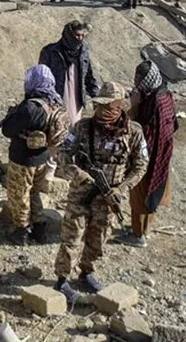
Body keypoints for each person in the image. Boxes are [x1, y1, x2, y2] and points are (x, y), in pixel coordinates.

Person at [54, 82, 149, 301]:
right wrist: (78, 174)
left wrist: (121, 189)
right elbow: (63, 153)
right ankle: (62, 279)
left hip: (108, 198)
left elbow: (140, 165)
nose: (102, 111)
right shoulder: (82, 127)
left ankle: (86, 272)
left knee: (98, 238)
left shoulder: (133, 132)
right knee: (72, 237)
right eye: (100, 106)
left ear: (120, 106)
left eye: (109, 107)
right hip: (81, 194)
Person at [1, 65, 69, 246]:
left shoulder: (31, 107)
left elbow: (7, 130)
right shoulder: (55, 102)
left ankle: (21, 231)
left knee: (19, 195)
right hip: (43, 157)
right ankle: (39, 228)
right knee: (35, 193)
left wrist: (12, 115)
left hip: (23, 159)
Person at [118, 61, 176, 247]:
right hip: (162, 152)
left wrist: (134, 106)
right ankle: (144, 227)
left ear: (147, 79)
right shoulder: (164, 93)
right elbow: (174, 125)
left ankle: (138, 235)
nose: (136, 82)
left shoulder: (153, 103)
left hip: (149, 155)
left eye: (139, 79)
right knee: (150, 192)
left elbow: (137, 129)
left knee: (140, 194)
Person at [39, 21, 100, 126]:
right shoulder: (50, 52)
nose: (80, 38)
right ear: (69, 35)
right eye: (77, 35)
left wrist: (97, 98)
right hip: (56, 100)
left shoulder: (83, 52)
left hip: (76, 101)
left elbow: (89, 76)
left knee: (73, 129)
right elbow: (42, 78)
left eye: (82, 35)